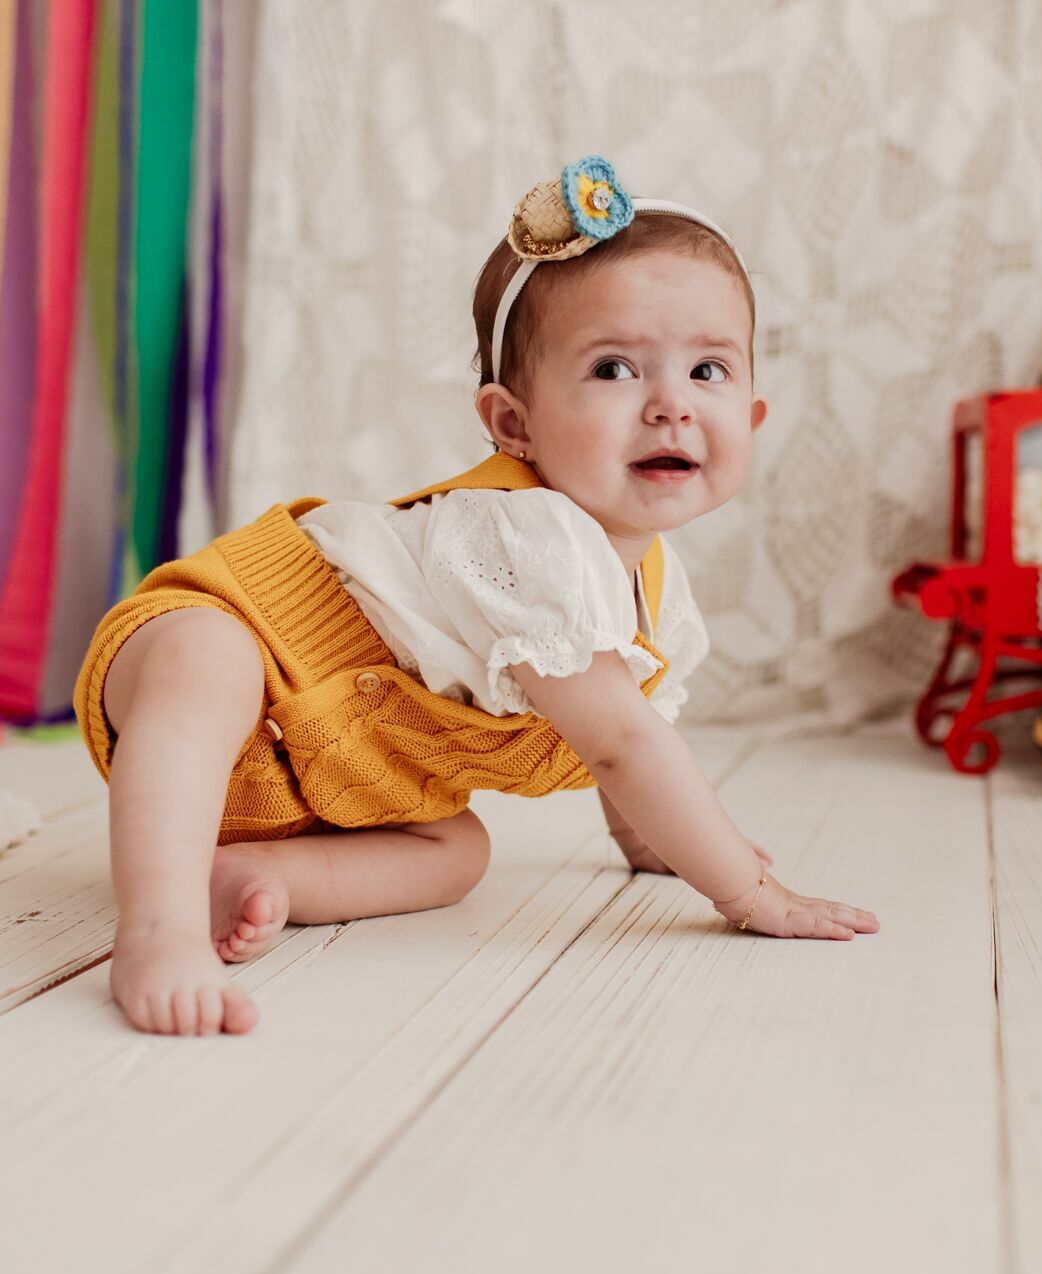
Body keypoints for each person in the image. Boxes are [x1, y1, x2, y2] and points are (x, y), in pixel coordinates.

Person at [75, 156, 879, 1037]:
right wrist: (747, 888)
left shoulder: (648, 590)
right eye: (615, 369)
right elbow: (618, 741)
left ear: (753, 417)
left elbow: (618, 714)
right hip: (232, 657)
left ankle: (254, 876)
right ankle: (158, 925)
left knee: (457, 854)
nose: (670, 407)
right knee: (206, 658)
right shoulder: (523, 533)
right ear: (512, 423)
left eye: (709, 372)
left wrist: (645, 838)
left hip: (320, 779)